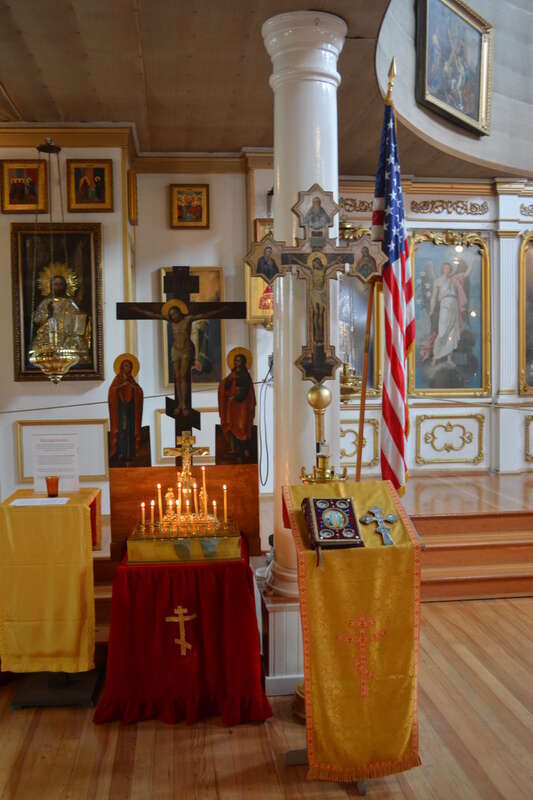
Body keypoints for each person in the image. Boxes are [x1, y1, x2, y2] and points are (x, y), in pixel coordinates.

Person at [31, 273, 89, 362]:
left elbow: (78, 320)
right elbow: (37, 320)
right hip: (49, 336)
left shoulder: (70, 303)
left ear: (65, 286)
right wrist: (49, 314)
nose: (58, 287)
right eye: (55, 284)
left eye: (60, 284)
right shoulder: (45, 303)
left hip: (67, 337)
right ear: (50, 286)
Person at [430, 260, 472, 367]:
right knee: (442, 332)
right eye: (445, 268)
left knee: (452, 333)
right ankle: (435, 358)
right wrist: (431, 309)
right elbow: (434, 297)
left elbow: (466, 274)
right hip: (445, 306)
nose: (447, 270)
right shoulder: (438, 281)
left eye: (448, 268)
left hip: (454, 306)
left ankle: (449, 359)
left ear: (450, 270)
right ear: (442, 269)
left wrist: (473, 261)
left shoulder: (454, 279)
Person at [218, 351, 256, 460]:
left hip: (242, 405)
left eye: (238, 360)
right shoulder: (232, 374)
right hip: (232, 405)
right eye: (235, 360)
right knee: (231, 425)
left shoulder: (245, 375)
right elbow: (227, 386)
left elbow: (245, 390)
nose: (236, 362)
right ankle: (234, 449)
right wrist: (224, 384)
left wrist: (235, 397)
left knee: (241, 426)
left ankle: (245, 450)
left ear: (243, 362)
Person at [108, 357, 143, 461]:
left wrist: (133, 388)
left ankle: (130, 454)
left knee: (130, 431)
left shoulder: (131, 380)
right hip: (120, 410)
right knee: (121, 430)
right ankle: (120, 453)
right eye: (125, 366)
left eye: (129, 366)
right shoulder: (117, 379)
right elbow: (112, 392)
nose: (127, 368)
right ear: (121, 367)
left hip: (130, 410)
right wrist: (121, 386)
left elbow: (139, 392)